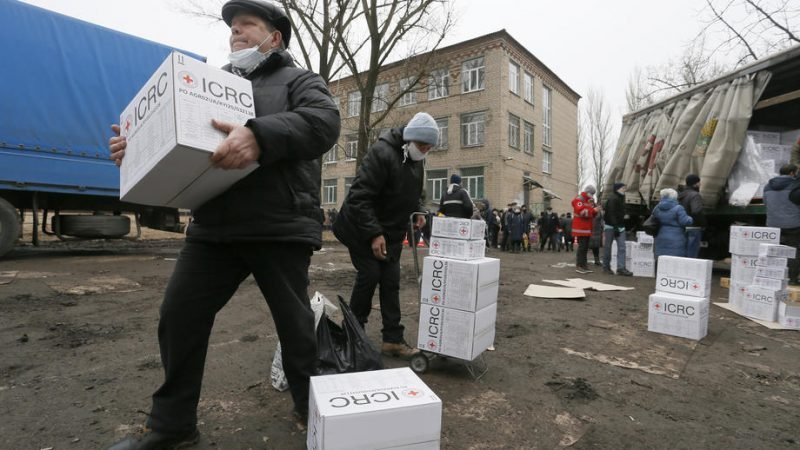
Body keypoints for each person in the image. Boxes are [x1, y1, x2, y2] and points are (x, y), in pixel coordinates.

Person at [105, 1, 341, 448]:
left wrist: (258, 133)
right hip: (214, 226)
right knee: (179, 315)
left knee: (294, 327)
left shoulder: (301, 81)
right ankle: (173, 427)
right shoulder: (212, 85)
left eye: (247, 25)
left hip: (279, 224)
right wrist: (134, 147)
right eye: (232, 27)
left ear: (275, 37)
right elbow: (177, 136)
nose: (236, 33)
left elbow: (324, 123)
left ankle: (314, 413)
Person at [332, 112, 437, 359]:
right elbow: (359, 197)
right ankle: (352, 334)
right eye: (423, 145)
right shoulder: (382, 153)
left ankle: (392, 340)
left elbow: (413, 191)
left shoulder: (416, 159)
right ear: (409, 140)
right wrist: (373, 233)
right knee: (370, 275)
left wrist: (419, 209)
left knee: (391, 280)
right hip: (359, 227)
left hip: (390, 231)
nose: (426, 151)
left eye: (430, 147)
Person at [763, 164, 800, 285]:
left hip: (773, 225)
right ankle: (792, 279)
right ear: (791, 173)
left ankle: (774, 279)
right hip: (793, 225)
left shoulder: (768, 186)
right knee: (793, 252)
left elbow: (765, 203)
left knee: (775, 252)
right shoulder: (795, 186)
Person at [651, 188, 693, 259]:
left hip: (660, 236)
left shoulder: (657, 207)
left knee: (662, 259)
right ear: (674, 197)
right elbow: (685, 221)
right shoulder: (678, 208)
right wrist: (690, 218)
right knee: (674, 261)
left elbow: (653, 218)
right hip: (676, 238)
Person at [603, 182, 633, 276]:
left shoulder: (621, 198)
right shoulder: (613, 199)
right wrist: (615, 227)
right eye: (623, 188)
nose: (625, 189)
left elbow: (619, 212)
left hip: (620, 226)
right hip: (611, 227)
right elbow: (611, 213)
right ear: (617, 189)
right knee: (608, 247)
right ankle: (606, 267)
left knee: (622, 247)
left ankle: (621, 268)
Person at [572, 185, 601, 273]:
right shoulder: (579, 199)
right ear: (588, 192)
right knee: (582, 248)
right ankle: (579, 266)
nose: (592, 196)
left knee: (584, 248)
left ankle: (584, 265)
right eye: (592, 194)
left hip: (586, 228)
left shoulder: (586, 201)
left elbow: (590, 214)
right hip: (581, 228)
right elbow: (582, 212)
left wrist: (595, 211)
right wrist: (594, 211)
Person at [678, 174, 705, 258]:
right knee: (692, 253)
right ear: (695, 184)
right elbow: (696, 211)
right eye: (699, 183)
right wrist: (703, 224)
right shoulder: (695, 195)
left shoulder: (681, 195)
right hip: (694, 228)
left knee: (683, 252)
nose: (700, 184)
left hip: (682, 227)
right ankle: (690, 270)